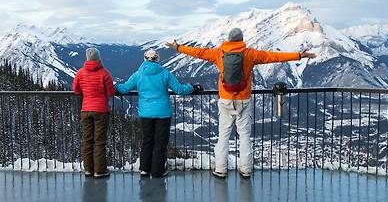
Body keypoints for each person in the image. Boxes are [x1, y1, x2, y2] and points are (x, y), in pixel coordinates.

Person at [166, 28, 316, 178]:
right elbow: (274, 56)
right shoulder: (250, 54)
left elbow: (197, 52)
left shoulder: (219, 53)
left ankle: (220, 169)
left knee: (223, 136)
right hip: (244, 100)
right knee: (244, 136)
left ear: (229, 39)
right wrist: (299, 55)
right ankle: (245, 169)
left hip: (225, 100)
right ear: (241, 40)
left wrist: (178, 47)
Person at [115, 49, 203, 178]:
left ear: (144, 59)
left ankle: (144, 169)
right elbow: (179, 89)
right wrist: (194, 87)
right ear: (157, 59)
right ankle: (157, 171)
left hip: (145, 113)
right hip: (163, 113)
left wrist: (114, 86)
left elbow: (124, 89)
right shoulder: (165, 74)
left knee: (147, 140)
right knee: (160, 142)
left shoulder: (138, 75)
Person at [72, 47, 116, 178]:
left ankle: (88, 169)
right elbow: (111, 92)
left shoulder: (80, 73)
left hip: (86, 109)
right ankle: (100, 170)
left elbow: (76, 90)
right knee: (99, 141)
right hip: (101, 110)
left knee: (87, 140)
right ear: (99, 58)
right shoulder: (105, 73)